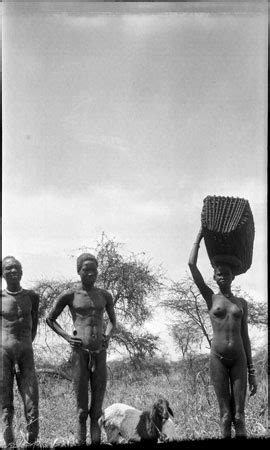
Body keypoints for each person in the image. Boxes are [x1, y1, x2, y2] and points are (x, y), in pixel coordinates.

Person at [188, 228, 257, 439]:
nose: (222, 277)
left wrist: (252, 371)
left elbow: (245, 337)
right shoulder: (210, 298)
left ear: (232, 277)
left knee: (239, 417)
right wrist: (199, 236)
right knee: (225, 416)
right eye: (218, 274)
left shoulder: (241, 304)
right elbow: (191, 265)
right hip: (217, 358)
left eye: (226, 274)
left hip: (239, 359)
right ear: (214, 277)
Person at [46, 253, 117, 445]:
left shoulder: (104, 295)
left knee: (96, 409)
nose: (90, 274)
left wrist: (107, 337)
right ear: (79, 271)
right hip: (79, 354)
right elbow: (50, 319)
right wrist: (68, 337)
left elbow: (112, 321)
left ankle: (96, 442)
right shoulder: (70, 295)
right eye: (86, 270)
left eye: (94, 270)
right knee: (81, 409)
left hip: (100, 354)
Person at [1, 256, 40, 447]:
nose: (13, 271)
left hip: (26, 352)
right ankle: (10, 444)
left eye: (17, 267)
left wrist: (25, 344)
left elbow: (34, 324)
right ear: (2, 273)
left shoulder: (32, 296)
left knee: (32, 402)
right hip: (3, 354)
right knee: (5, 403)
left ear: (22, 271)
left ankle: (31, 443)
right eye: (8, 268)